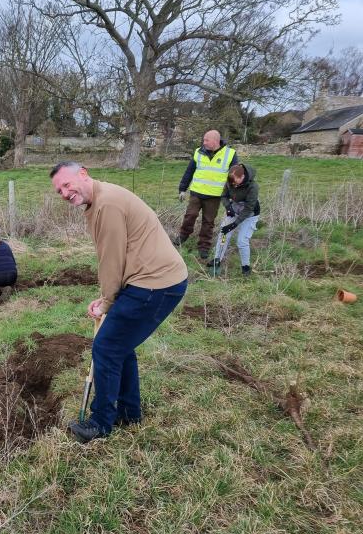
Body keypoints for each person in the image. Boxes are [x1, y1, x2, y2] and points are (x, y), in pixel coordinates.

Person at [50, 162, 188, 443]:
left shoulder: (107, 204)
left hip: (156, 283)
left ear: (84, 173)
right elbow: (118, 256)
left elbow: (111, 260)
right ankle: (129, 411)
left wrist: (107, 303)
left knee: (107, 346)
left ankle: (101, 422)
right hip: (153, 279)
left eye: (66, 184)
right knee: (120, 345)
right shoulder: (99, 201)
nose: (64, 193)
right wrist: (106, 299)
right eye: (59, 190)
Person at [174, 130, 239, 260]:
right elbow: (189, 171)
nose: (203, 143)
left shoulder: (230, 154)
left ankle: (204, 246)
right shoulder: (198, 152)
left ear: (215, 141)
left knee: (208, 222)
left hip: (214, 196)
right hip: (196, 192)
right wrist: (182, 189)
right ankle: (183, 236)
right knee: (190, 215)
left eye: (206, 140)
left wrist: (232, 196)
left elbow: (233, 177)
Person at [208, 164, 260, 276]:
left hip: (249, 214)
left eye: (236, 182)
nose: (233, 185)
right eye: (232, 183)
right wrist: (228, 208)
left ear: (242, 177)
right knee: (223, 234)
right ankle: (217, 259)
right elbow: (224, 196)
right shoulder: (230, 181)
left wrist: (234, 224)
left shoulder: (253, 186)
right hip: (234, 210)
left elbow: (249, 208)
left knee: (241, 241)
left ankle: (245, 267)